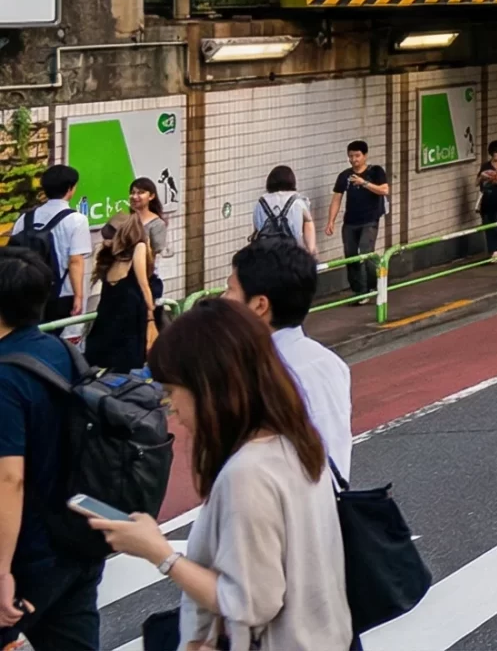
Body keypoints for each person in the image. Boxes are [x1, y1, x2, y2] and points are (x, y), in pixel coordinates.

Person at [85, 299, 350, 651]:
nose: (172, 408)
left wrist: (159, 552)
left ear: (209, 387)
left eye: (172, 392)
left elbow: (253, 602)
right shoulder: (296, 441)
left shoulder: (247, 474)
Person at [0, 246, 103, 651]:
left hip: (29, 554)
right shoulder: (62, 352)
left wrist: (2, 570)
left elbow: (10, 479)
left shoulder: (5, 376)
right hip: (77, 538)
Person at [226, 239, 353, 477]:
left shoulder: (262, 375)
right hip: (328, 506)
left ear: (259, 305)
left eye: (230, 289)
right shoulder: (330, 362)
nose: (224, 298)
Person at [79, 203, 157, 374]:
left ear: (123, 235)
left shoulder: (139, 247)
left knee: (123, 363)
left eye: (111, 237)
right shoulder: (110, 256)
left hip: (127, 315)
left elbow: (144, 283)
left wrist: (150, 314)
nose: (107, 241)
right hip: (113, 314)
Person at [12, 166, 90, 325]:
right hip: (61, 293)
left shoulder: (25, 218)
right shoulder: (77, 220)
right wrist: (79, 296)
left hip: (27, 291)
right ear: (70, 189)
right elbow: (75, 261)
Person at [325, 140, 390, 298]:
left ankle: (373, 286)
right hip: (350, 222)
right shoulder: (345, 176)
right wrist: (331, 221)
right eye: (351, 156)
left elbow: (384, 189)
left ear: (365, 155)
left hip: (370, 220)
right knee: (351, 256)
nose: (354, 159)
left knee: (366, 253)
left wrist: (364, 183)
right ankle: (359, 292)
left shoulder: (375, 171)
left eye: (357, 156)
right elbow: (336, 199)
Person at [251, 166, 317, 255]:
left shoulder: (261, 202)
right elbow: (308, 222)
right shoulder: (297, 201)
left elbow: (257, 228)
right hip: (293, 253)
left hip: (266, 253)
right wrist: (311, 249)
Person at [125, 179, 169, 310]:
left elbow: (155, 253)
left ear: (151, 196)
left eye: (141, 193)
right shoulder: (127, 220)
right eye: (133, 193)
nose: (135, 197)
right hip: (125, 276)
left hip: (147, 277)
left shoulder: (157, 224)